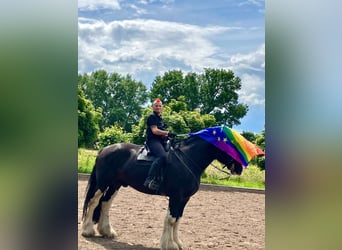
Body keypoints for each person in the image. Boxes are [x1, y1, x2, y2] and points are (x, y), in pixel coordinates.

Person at [143, 98, 175, 190]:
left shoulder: (160, 118)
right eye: (156, 106)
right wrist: (167, 133)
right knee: (162, 156)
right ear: (152, 107)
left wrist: (168, 136)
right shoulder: (151, 117)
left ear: (162, 107)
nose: (158, 107)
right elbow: (155, 131)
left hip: (161, 141)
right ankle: (149, 179)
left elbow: (162, 132)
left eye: (160, 106)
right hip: (153, 141)